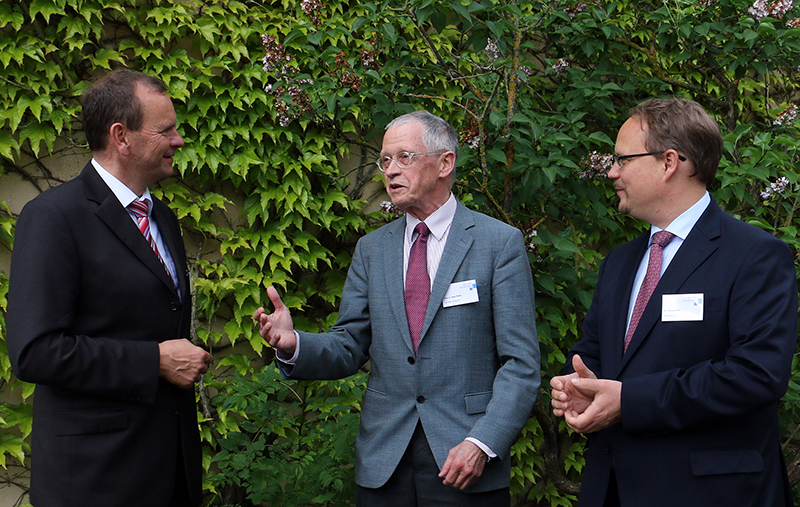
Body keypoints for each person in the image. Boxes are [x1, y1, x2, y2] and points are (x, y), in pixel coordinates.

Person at [254, 110, 540, 505]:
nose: (390, 171)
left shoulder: (497, 244)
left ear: (445, 163)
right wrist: (292, 343)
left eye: (404, 157)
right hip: (384, 461)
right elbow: (349, 345)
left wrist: (483, 442)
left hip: (465, 458)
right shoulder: (372, 250)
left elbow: (521, 365)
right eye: (384, 160)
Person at [550, 97, 798, 507]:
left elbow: (757, 375)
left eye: (623, 159)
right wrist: (576, 385)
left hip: (710, 493)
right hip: (611, 490)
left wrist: (630, 401)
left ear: (669, 163)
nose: (611, 172)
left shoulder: (754, 256)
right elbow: (591, 351)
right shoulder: (620, 262)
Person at [6, 70, 212, 507]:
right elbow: (34, 351)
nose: (178, 140)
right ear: (122, 137)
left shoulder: (164, 219)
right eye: (166, 129)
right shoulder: (54, 218)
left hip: (168, 470)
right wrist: (152, 360)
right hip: (94, 478)